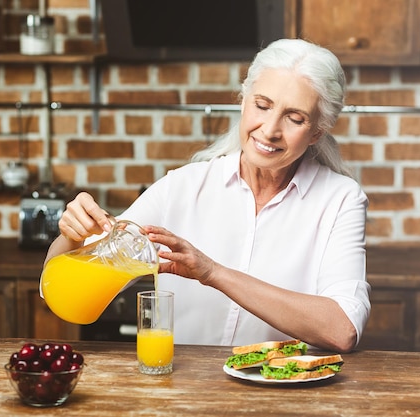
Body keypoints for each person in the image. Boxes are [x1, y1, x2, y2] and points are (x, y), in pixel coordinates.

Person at [42, 38, 370, 353]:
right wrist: (71, 236)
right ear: (243, 100)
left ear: (317, 131)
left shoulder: (339, 200)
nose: (270, 129)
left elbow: (342, 330)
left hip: (281, 395)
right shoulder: (182, 187)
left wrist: (212, 273)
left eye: (294, 118)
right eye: (262, 105)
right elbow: (60, 289)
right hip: (183, 393)